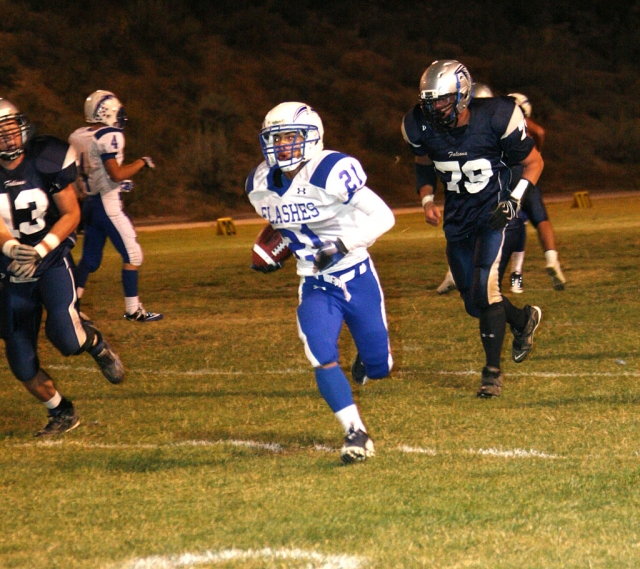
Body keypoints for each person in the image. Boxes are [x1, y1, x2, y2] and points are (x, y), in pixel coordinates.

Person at [246, 102, 395, 463]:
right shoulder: (259, 185)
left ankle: (367, 362)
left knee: (380, 367)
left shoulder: (330, 170)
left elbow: (384, 217)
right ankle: (354, 432)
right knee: (320, 352)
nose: (282, 147)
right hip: (314, 281)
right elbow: (283, 225)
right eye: (275, 139)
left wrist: (341, 244)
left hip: (357, 274)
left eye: (290, 138)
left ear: (312, 137)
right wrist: (273, 248)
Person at [402, 60, 543, 398]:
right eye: (430, 101)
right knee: (472, 301)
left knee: (486, 289)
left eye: (442, 100)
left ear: (463, 95)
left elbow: (534, 162)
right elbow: (423, 165)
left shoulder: (496, 115)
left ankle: (491, 375)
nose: (435, 108)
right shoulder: (418, 125)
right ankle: (522, 320)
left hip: (495, 213)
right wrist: (426, 200)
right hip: (458, 218)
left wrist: (514, 200)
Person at [0, 98, 125, 436]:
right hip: (10, 272)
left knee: (67, 340)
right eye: (0, 134)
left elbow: (71, 214)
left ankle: (94, 342)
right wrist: (12, 248)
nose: (9, 139)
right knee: (22, 364)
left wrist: (40, 250)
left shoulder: (46, 157)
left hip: (52, 260)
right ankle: (62, 412)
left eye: (11, 130)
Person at [69, 90, 162, 322]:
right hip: (106, 206)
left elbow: (93, 173)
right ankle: (133, 309)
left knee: (89, 260)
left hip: (89, 203)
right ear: (108, 111)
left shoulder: (79, 135)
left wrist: (118, 186)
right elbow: (116, 173)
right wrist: (142, 162)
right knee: (133, 254)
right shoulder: (109, 135)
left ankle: (70, 308)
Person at [507, 92, 566, 291]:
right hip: (525, 172)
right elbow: (539, 132)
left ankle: (515, 281)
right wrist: (537, 153)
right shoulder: (519, 120)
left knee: (512, 226)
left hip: (505, 175)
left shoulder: (495, 122)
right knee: (541, 220)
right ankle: (551, 259)